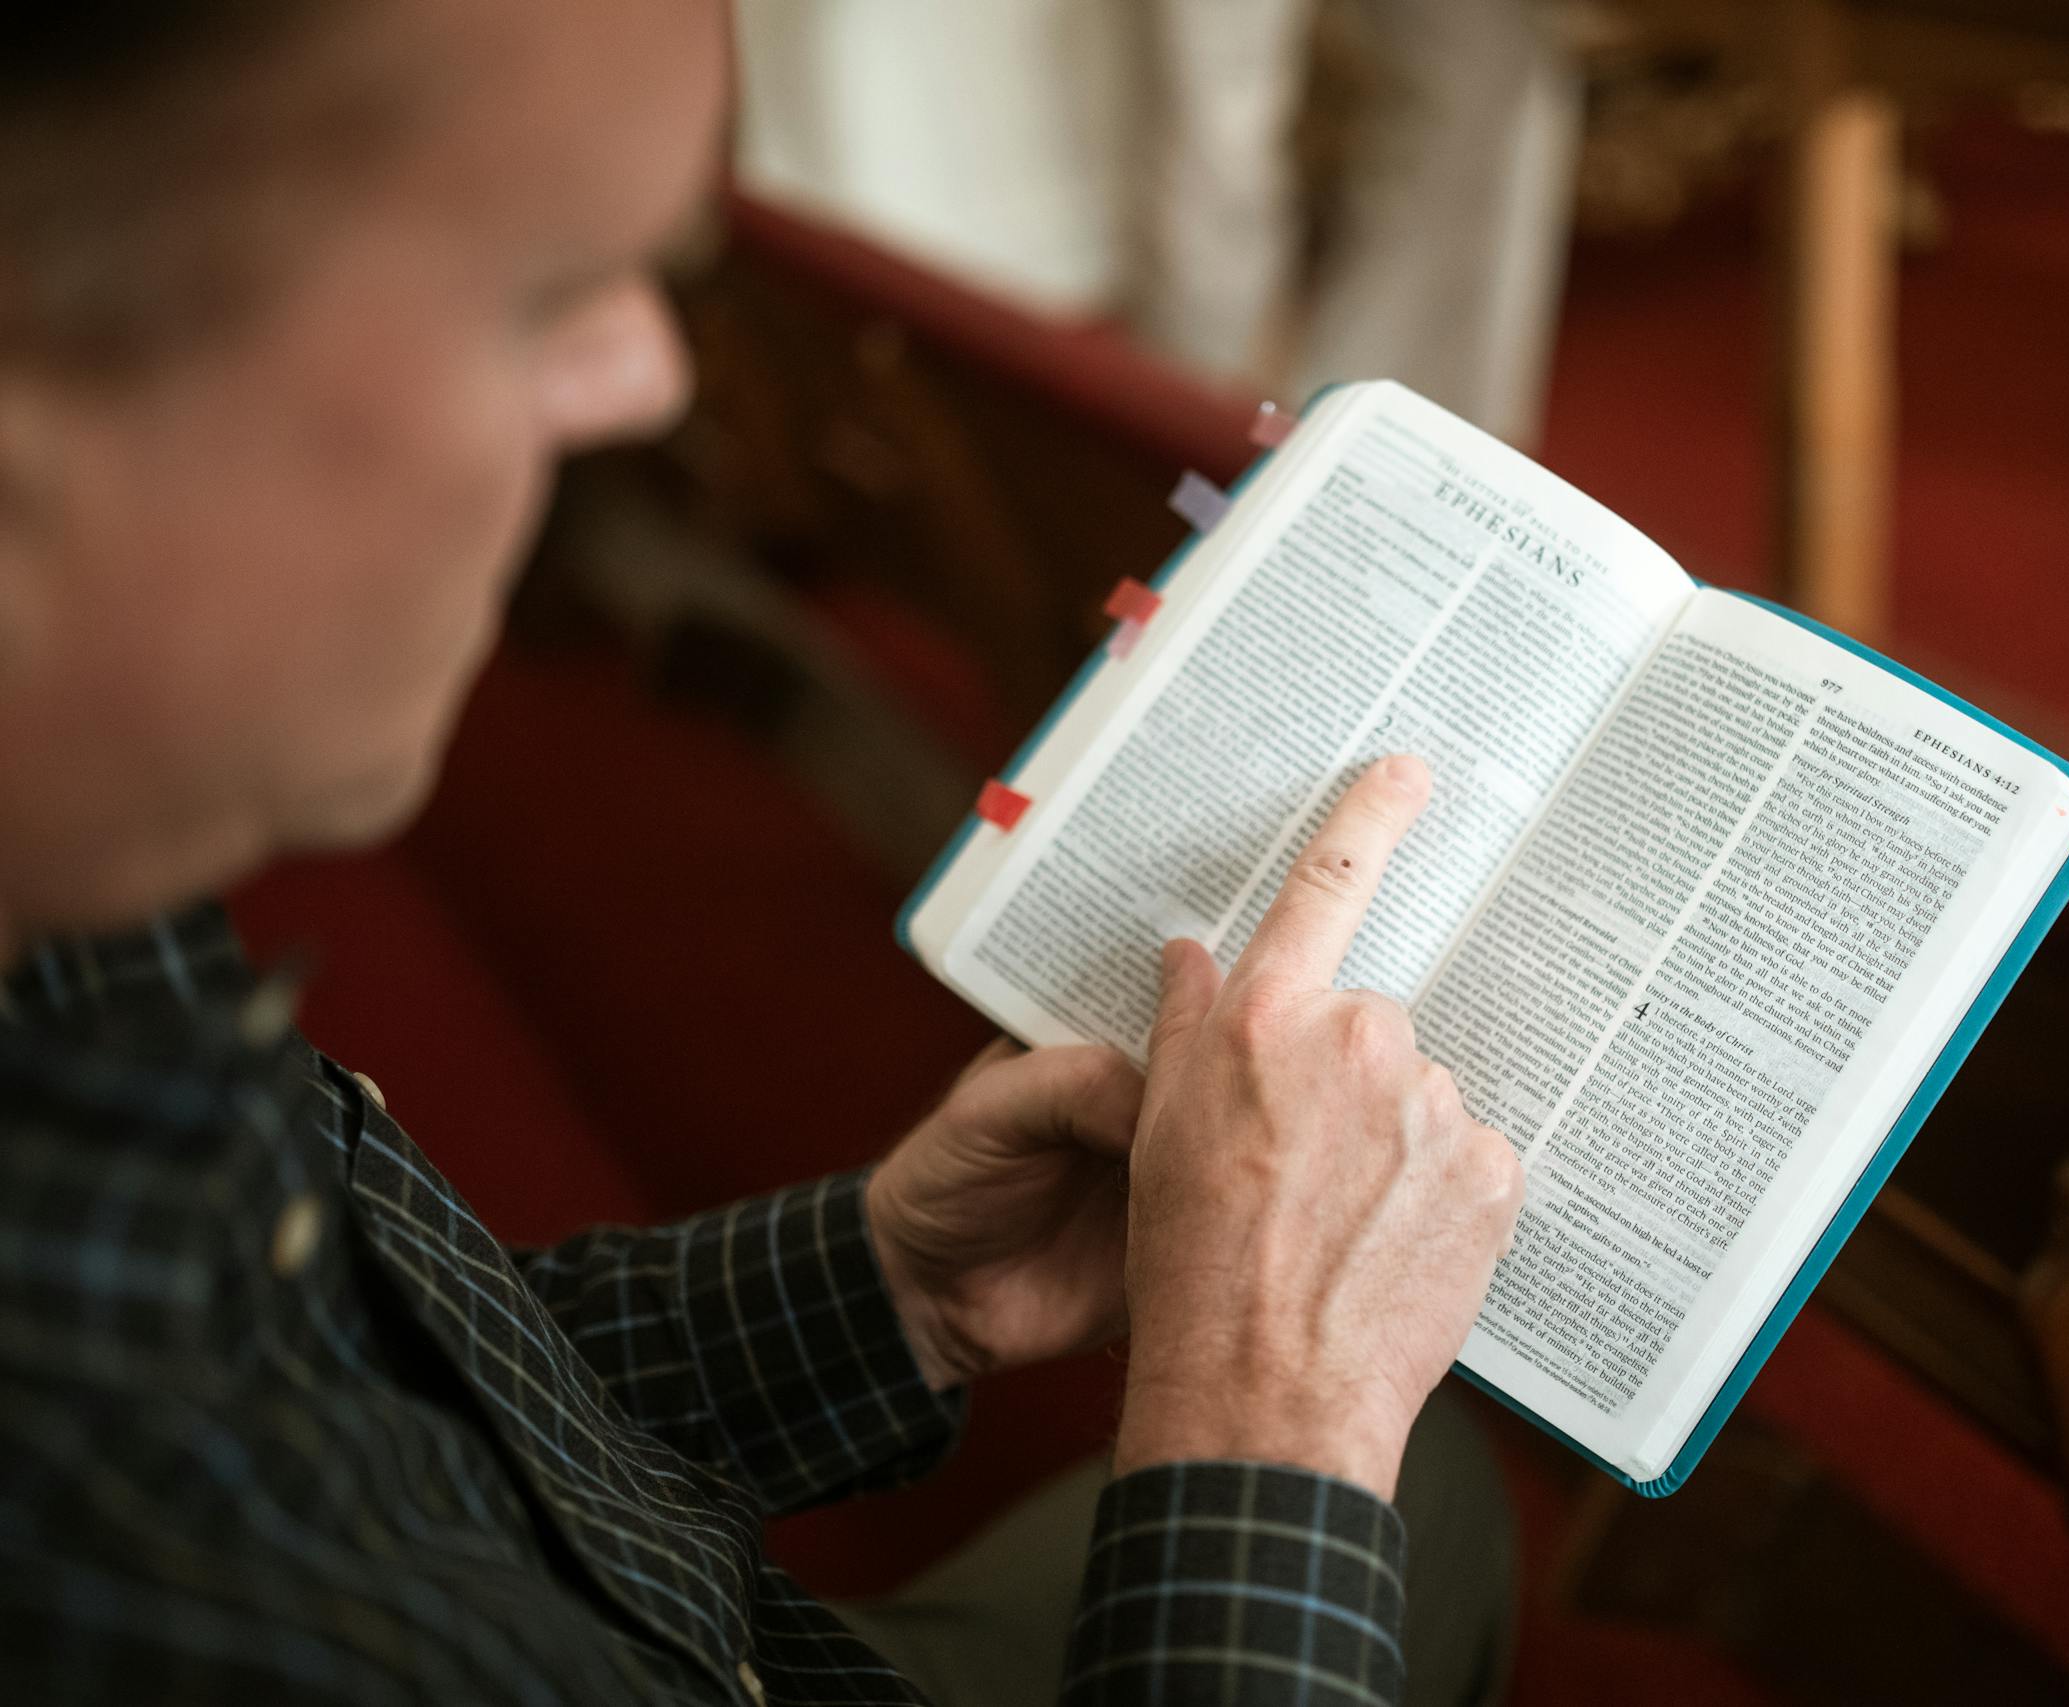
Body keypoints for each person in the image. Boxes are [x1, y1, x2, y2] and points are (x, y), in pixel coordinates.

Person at [0, 3, 1526, 1704]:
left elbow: (349, 1411)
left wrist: (885, 1287)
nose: (647, 375)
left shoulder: (68, 889)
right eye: (544, 294)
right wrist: (1268, 1410)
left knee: (1436, 1497)